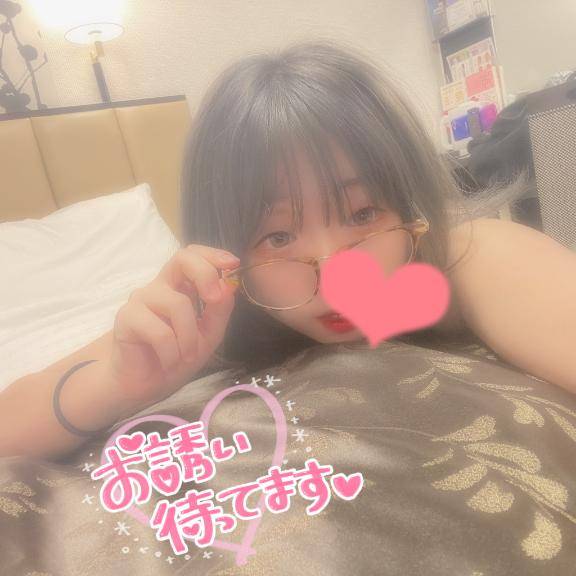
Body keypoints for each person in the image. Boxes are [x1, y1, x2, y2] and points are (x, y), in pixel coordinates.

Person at [1, 40, 575, 462]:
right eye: (278, 236)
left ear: (410, 206)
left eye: (362, 214)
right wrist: (116, 382)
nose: (333, 275)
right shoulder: (208, 309)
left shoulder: (465, 251)